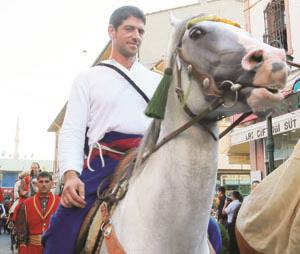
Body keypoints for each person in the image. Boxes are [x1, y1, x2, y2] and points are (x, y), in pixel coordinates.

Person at [42, 5, 161, 254]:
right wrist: (72, 176)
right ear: (112, 31)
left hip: (151, 161)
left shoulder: (156, 81)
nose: (136, 36)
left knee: (210, 229)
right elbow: (73, 131)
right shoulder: (87, 78)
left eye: (140, 30)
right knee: (59, 233)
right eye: (129, 29)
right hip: (106, 164)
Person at [15, 171, 60, 254]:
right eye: (41, 181)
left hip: (54, 248)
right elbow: (21, 229)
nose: (44, 184)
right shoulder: (26, 203)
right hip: (32, 249)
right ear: (37, 184)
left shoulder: (60, 202)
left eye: (46, 181)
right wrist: (23, 248)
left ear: (52, 183)